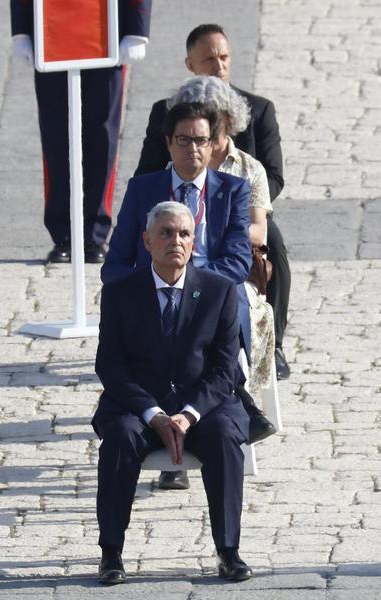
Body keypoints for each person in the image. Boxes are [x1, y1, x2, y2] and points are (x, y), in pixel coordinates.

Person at [105, 101, 272, 491]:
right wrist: (140, 290)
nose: (192, 149)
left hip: (214, 292)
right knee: (160, 330)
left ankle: (223, 406)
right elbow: (116, 261)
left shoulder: (232, 189)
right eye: (183, 140)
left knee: (226, 306)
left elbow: (236, 260)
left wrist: (190, 284)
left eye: (201, 140)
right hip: (153, 289)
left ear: (214, 144)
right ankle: (171, 436)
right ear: (168, 143)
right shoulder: (143, 189)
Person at [93, 200, 251, 585]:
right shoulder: (120, 293)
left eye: (183, 234)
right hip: (141, 407)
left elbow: (224, 368)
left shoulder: (219, 291)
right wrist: (153, 414)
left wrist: (188, 414)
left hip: (202, 406)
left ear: (194, 242)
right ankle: (111, 553)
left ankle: (228, 551)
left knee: (225, 436)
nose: (175, 241)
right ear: (147, 241)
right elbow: (110, 366)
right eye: (165, 233)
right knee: (121, 437)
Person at [134, 23, 293, 380]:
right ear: (190, 64)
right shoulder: (167, 112)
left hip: (245, 207)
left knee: (275, 243)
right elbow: (145, 175)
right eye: (209, 59)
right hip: (180, 208)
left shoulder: (258, 109)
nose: (219, 65)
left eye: (224, 57)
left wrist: (243, 205)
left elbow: (273, 174)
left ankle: (274, 344)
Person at [10, 0, 151, 264]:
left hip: (106, 25)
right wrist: (21, 29)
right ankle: (63, 231)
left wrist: (137, 27)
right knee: (55, 132)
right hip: (51, 25)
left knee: (103, 134)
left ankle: (94, 234)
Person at [168, 75, 276, 390]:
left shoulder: (248, 168)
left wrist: (219, 234)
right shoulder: (177, 167)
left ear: (227, 120)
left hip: (232, 267)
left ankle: (230, 389)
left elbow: (259, 231)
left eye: (209, 119)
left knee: (229, 297)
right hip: (184, 267)